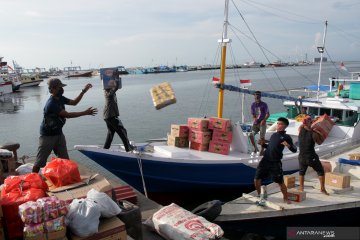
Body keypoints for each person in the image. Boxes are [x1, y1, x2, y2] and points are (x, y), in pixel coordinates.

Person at [32, 78, 98, 173]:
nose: (62, 89)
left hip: (58, 133)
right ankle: (32, 179)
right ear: (53, 89)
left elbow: (74, 103)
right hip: (47, 136)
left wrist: (83, 91)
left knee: (65, 159)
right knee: (40, 161)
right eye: (60, 87)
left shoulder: (60, 99)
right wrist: (85, 112)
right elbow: (68, 115)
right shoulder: (51, 104)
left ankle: (65, 178)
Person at [254, 117, 297, 204]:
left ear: (285, 126)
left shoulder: (286, 137)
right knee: (256, 179)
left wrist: (287, 145)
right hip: (265, 160)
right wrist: (263, 144)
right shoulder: (274, 135)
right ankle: (259, 195)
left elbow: (294, 150)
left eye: (280, 124)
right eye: (277, 123)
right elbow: (270, 147)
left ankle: (285, 198)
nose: (277, 125)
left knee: (280, 182)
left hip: (275, 162)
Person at [298, 115, 329, 195]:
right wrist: (319, 133)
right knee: (320, 171)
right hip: (311, 157)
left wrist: (312, 122)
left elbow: (305, 125)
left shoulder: (300, 129)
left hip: (301, 157)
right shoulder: (313, 133)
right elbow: (320, 142)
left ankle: (301, 188)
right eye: (310, 121)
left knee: (302, 172)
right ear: (310, 123)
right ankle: (322, 189)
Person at [103, 77, 133, 152]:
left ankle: (105, 149)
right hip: (111, 116)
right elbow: (114, 90)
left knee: (111, 133)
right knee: (122, 131)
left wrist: (116, 82)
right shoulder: (107, 92)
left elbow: (114, 90)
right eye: (110, 83)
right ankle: (128, 149)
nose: (112, 84)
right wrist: (116, 82)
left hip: (108, 116)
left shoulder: (110, 92)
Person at [249, 91, 269, 155]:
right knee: (251, 135)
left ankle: (262, 150)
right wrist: (255, 119)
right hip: (256, 123)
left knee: (262, 138)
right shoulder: (253, 104)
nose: (257, 96)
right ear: (254, 96)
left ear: (260, 96)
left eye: (258, 95)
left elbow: (268, 114)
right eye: (256, 95)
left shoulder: (264, 104)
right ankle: (255, 148)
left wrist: (264, 120)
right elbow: (253, 114)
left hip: (262, 123)